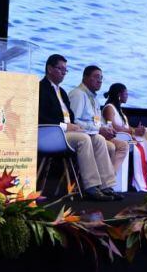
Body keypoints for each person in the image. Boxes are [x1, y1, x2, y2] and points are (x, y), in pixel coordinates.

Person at [37, 54, 120, 201]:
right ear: (49, 69)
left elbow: (71, 117)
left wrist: (75, 126)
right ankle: (91, 186)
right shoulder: (40, 88)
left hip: (65, 132)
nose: (63, 73)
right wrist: (65, 126)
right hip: (50, 134)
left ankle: (106, 186)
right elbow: (40, 116)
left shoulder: (62, 92)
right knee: (83, 138)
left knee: (98, 139)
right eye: (60, 69)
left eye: (65, 70)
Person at [102, 83, 147, 189]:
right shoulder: (109, 108)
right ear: (119, 94)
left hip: (128, 138)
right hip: (118, 139)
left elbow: (126, 127)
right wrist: (134, 130)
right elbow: (113, 127)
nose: (127, 96)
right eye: (126, 93)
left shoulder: (119, 110)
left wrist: (136, 129)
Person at [68, 66, 128, 176]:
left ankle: (108, 181)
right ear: (85, 77)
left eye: (101, 77)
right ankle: (103, 183)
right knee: (110, 146)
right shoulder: (78, 94)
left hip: (94, 133)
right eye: (96, 77)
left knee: (122, 146)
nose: (100, 80)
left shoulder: (94, 99)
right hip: (84, 135)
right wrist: (99, 129)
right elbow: (74, 122)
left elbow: (97, 121)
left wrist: (106, 128)